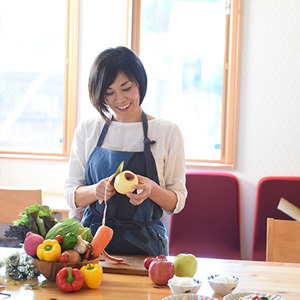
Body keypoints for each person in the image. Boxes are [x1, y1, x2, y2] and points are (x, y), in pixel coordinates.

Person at [64, 46, 187, 256]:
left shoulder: (167, 131)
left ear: (139, 82)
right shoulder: (88, 129)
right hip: (91, 248)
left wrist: (152, 189)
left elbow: (176, 202)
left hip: (147, 250)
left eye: (126, 88)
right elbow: (71, 195)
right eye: (109, 92)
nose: (119, 99)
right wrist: (96, 191)